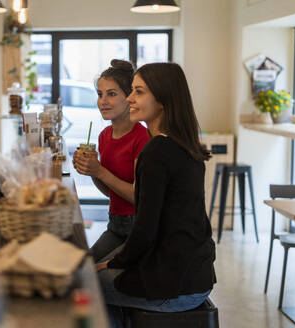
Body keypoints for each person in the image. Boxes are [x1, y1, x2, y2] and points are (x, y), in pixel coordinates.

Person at [95, 62, 216, 327]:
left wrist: (113, 263)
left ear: (162, 99)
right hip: (196, 275)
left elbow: (145, 229)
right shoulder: (182, 144)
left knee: (83, 286)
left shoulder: (156, 152)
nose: (129, 98)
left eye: (138, 92)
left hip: (175, 285)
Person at [72, 59, 150, 263]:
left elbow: (138, 197)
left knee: (99, 276)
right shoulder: (104, 136)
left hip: (139, 228)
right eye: (100, 94)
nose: (102, 101)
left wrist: (99, 172)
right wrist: (90, 170)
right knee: (85, 266)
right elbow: (111, 192)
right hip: (115, 224)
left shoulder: (142, 138)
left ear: (130, 97)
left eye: (112, 94)